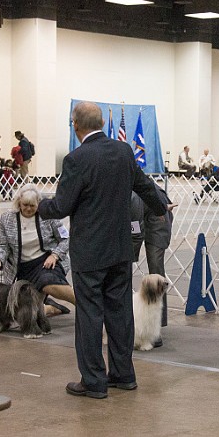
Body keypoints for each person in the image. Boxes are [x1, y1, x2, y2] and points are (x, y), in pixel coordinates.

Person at [37, 101, 167, 399]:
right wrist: (161, 207)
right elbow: (145, 185)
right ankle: (124, 375)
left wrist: (36, 208)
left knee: (90, 316)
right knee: (120, 314)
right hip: (120, 249)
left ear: (75, 125)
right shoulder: (123, 151)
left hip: (90, 253)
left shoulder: (76, 159)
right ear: (104, 125)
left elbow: (61, 206)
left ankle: (94, 380)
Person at [0, 183, 75, 317]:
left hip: (46, 263)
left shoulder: (49, 216)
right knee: (25, 313)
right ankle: (50, 308)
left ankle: (83, 305)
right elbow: (2, 245)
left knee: (47, 282)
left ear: (39, 203)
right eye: (25, 205)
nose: (28, 209)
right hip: (21, 268)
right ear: (19, 202)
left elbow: (66, 238)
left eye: (32, 206)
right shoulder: (7, 218)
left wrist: (55, 255)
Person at [131, 181, 176, 341]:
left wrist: (131, 258)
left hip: (159, 216)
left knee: (156, 272)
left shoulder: (131, 197)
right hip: (142, 212)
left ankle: (157, 327)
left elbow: (136, 232)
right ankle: (131, 319)